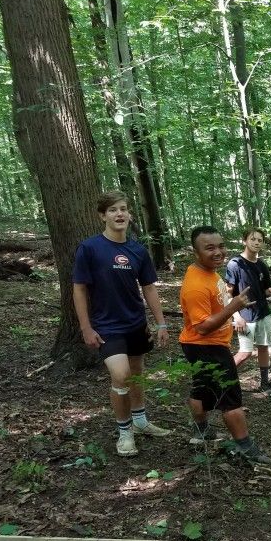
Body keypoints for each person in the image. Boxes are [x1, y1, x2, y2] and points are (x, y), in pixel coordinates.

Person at [72, 191, 172, 458]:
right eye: (113, 210)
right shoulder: (90, 248)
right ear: (102, 216)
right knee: (121, 375)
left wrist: (160, 324)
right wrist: (86, 328)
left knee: (137, 373)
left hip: (136, 323)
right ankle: (124, 431)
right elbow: (79, 289)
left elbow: (149, 288)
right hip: (106, 326)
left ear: (129, 214)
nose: (120, 214)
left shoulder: (138, 250)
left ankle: (140, 421)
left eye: (124, 209)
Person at [179, 226, 267, 461]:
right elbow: (203, 326)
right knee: (231, 398)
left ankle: (200, 431)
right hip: (206, 346)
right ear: (195, 251)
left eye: (220, 246)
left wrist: (232, 309)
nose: (218, 252)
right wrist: (234, 308)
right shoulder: (195, 284)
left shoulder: (208, 272)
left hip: (201, 344)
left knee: (202, 388)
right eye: (210, 248)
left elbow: (219, 302)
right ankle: (246, 447)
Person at [226, 228, 271, 396]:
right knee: (245, 352)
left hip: (262, 312)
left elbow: (262, 291)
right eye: (252, 239)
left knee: (264, 347)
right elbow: (228, 294)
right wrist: (236, 316)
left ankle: (264, 382)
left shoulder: (261, 264)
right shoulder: (235, 264)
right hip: (244, 315)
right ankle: (221, 381)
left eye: (260, 240)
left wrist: (268, 292)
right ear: (244, 241)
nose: (256, 242)